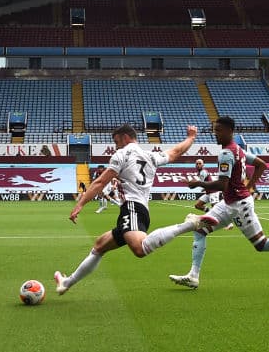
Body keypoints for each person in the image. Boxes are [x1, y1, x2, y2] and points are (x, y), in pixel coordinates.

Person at [168, 117, 269, 290]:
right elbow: (261, 164)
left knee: (261, 244)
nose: (215, 134)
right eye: (215, 130)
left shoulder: (227, 153)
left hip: (238, 206)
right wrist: (249, 186)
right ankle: (193, 276)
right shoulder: (238, 150)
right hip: (230, 202)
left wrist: (198, 183)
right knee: (199, 231)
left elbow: (222, 184)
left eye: (219, 130)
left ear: (230, 131)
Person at [54, 124, 203, 296]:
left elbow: (100, 182)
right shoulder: (151, 156)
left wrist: (80, 204)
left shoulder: (122, 154)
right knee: (100, 246)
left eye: (117, 142)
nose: (116, 146)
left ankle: (189, 224)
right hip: (139, 210)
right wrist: (191, 137)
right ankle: (67, 282)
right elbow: (176, 152)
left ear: (125, 137)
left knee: (139, 248)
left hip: (132, 208)